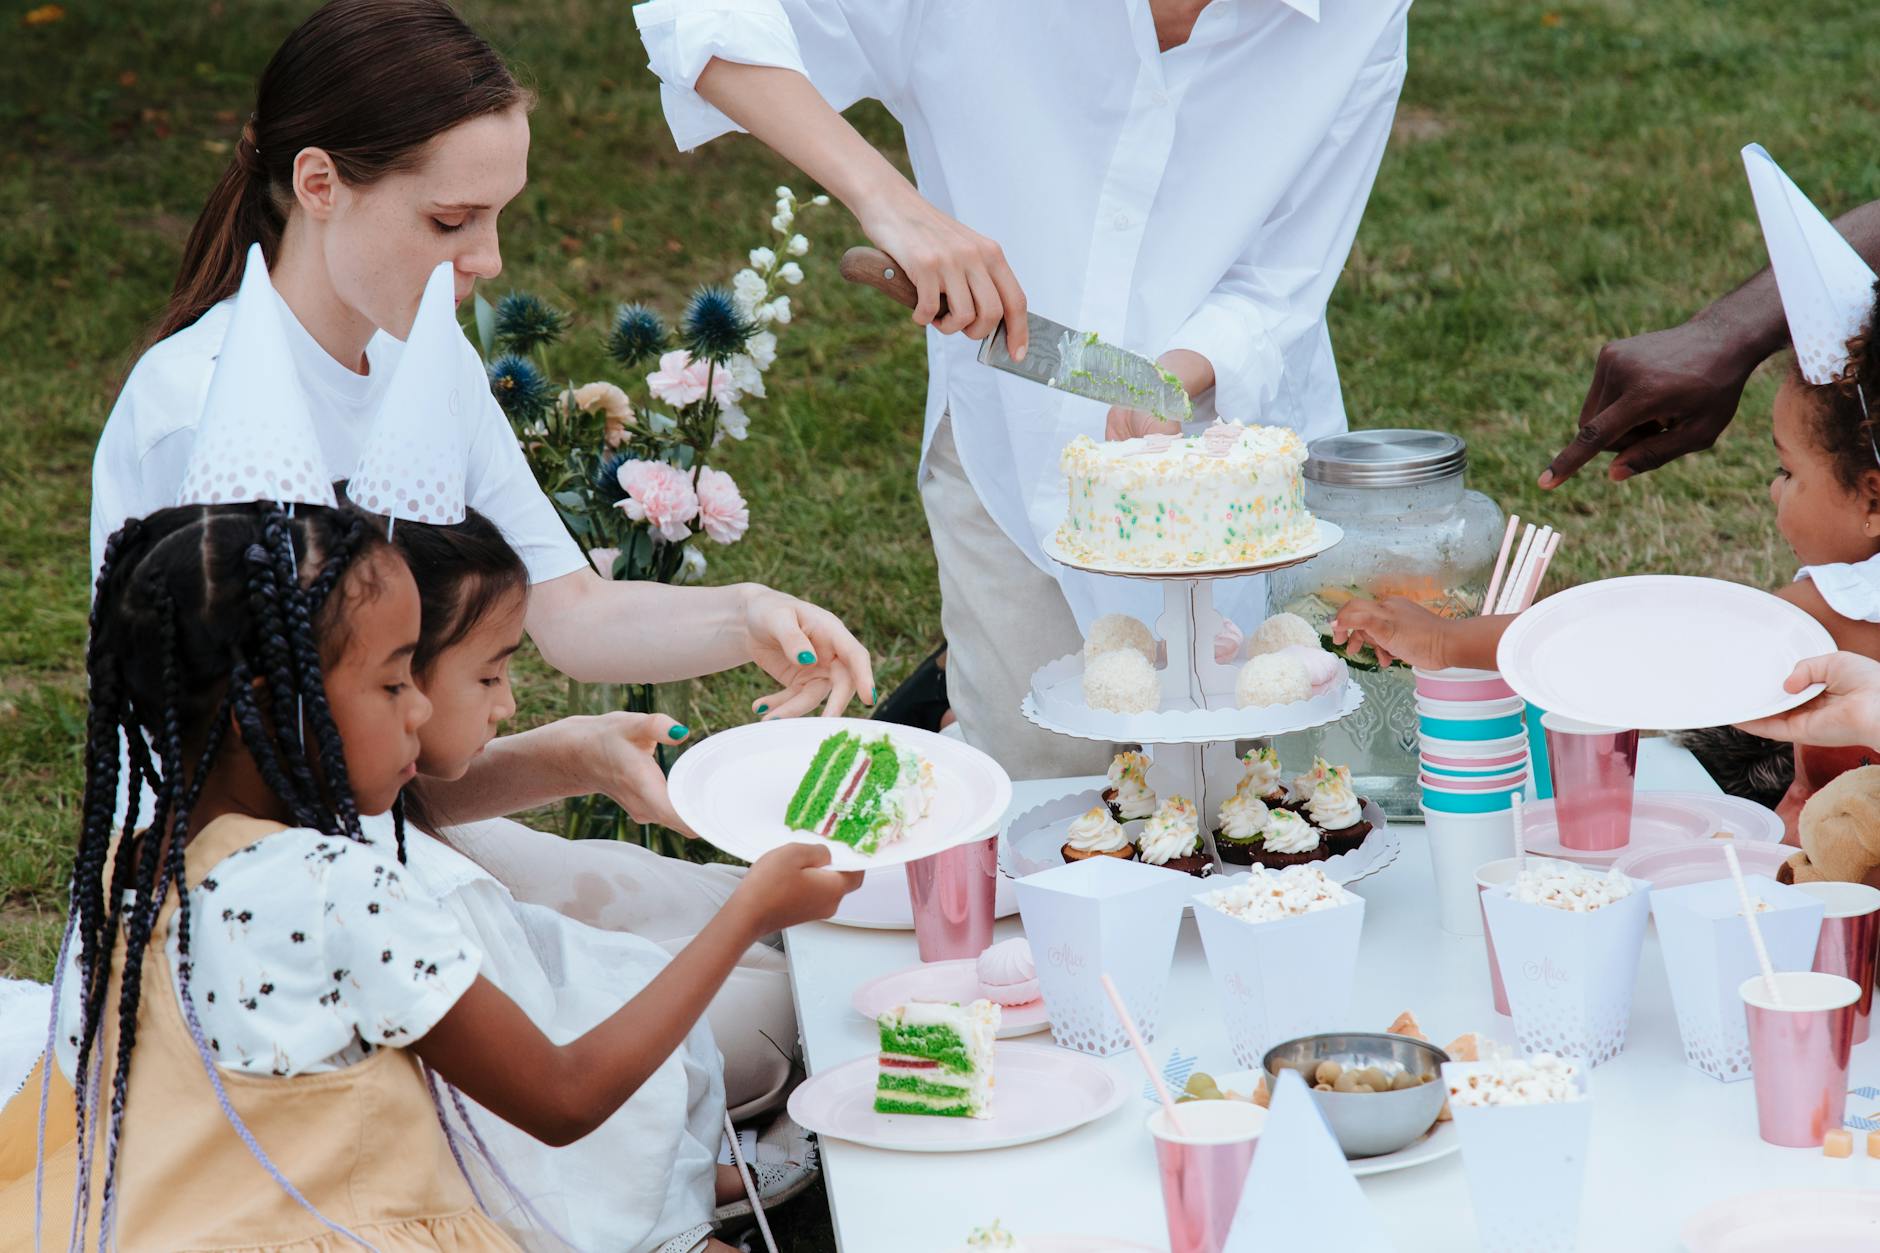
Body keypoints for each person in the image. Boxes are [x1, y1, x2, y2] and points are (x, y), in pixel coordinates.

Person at [91, 0, 874, 842]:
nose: (489, 259)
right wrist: (560, 758)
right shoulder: (195, 418)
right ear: (320, 185)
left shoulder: (422, 355)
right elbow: (253, 793)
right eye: (450, 221)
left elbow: (571, 611)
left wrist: (749, 613)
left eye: (499, 216)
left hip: (385, 832)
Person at [8, 500, 856, 1251]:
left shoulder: (137, 867)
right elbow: (563, 1096)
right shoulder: (333, 886)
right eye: (389, 684)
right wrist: (749, 907)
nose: (417, 707)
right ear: (269, 707)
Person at [633, 0, 1412, 778]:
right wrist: (889, 202)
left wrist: (1181, 370)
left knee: (1250, 800)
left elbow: (1285, 278)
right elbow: (700, 17)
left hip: (1238, 469)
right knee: (1038, 787)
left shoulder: (1363, 14)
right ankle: (958, 702)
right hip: (1005, 449)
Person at [1336, 148, 1880, 836]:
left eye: (1788, 471)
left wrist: (1447, 642)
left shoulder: (1846, 608)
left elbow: (1637, 641)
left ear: (1873, 499)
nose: (1774, 492)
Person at [384, 505, 800, 1249]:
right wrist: (748, 911)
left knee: (762, 963)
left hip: (548, 1059)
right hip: (537, 1170)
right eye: (489, 675)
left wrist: (581, 755)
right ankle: (684, 1198)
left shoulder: (378, 814)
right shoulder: (394, 900)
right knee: (772, 1003)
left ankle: (695, 1172)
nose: (510, 702)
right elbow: (555, 1103)